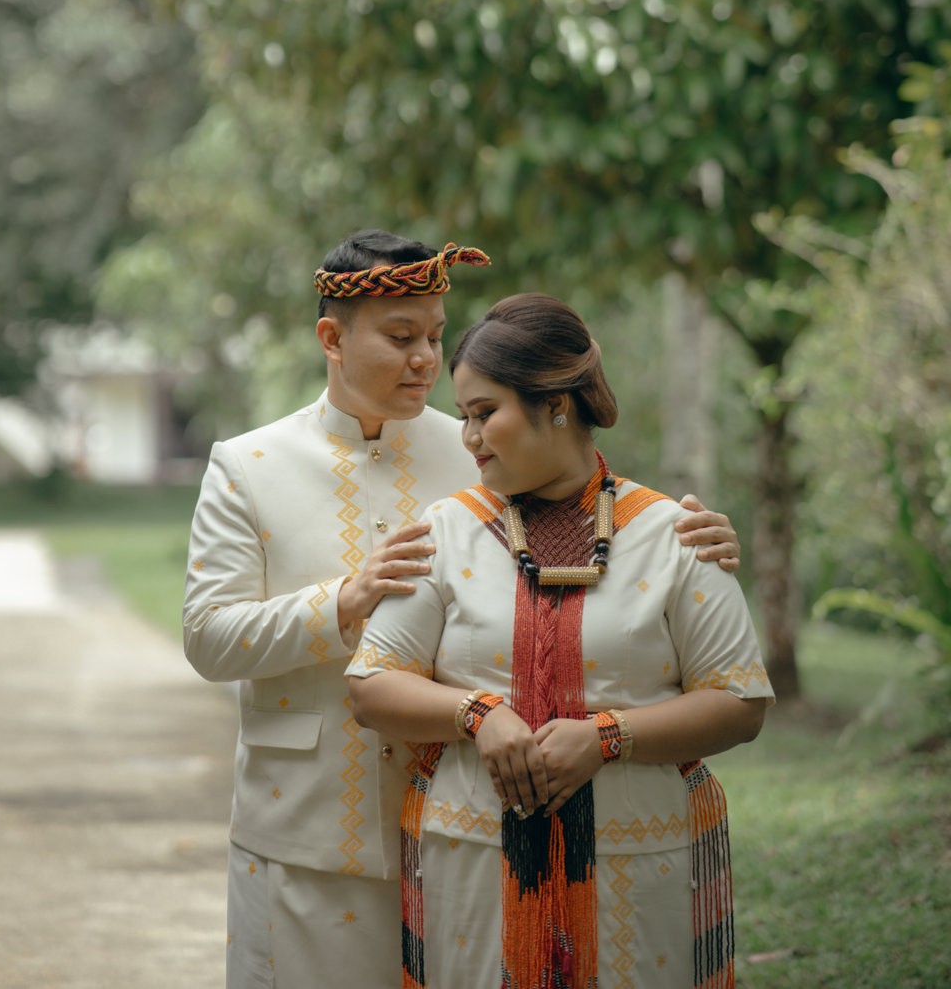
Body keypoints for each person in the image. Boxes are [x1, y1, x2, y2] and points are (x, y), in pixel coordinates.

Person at [183, 233, 745, 989]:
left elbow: (598, 518)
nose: (425, 358)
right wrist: (345, 600)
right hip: (308, 825)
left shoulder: (479, 444)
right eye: (401, 337)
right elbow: (208, 638)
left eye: (435, 335)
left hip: (465, 831)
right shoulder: (249, 465)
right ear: (332, 339)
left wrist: (697, 536)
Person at [347, 292, 773, 989]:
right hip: (473, 861)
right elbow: (371, 685)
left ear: (555, 404)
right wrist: (479, 714)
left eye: (485, 412)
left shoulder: (673, 534)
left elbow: (741, 701)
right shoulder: (446, 531)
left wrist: (607, 736)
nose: (469, 436)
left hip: (637, 869)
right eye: (464, 416)